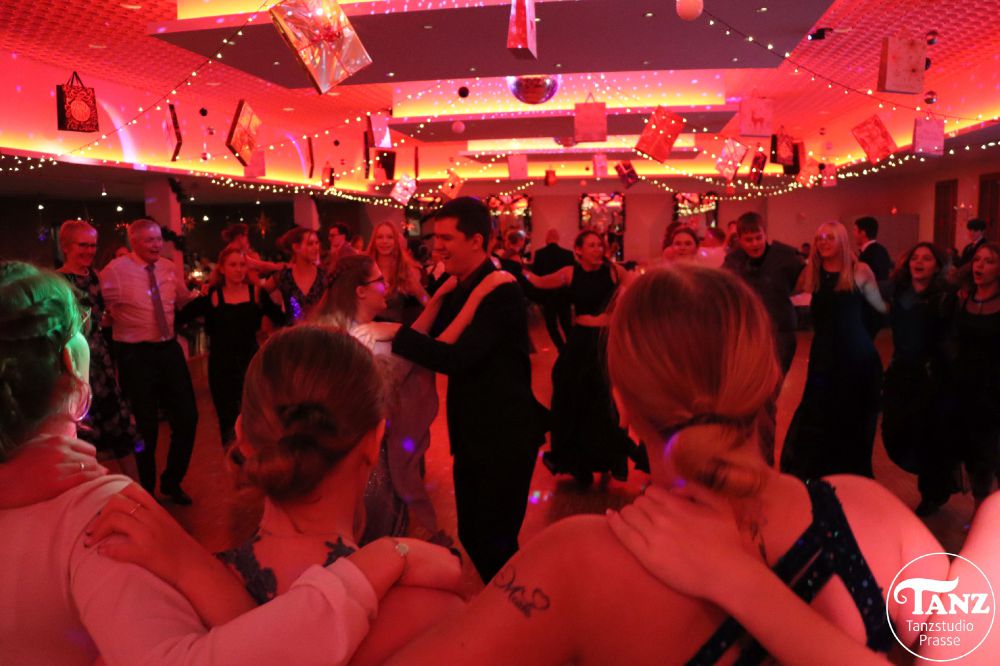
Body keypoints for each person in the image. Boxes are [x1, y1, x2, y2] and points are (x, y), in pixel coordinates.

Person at [384, 265, 945, 665]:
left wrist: (381, 566)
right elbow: (972, 640)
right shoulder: (869, 512)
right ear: (768, 377)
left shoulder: (575, 562)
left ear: (622, 405)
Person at [0, 265, 462, 665]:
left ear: (242, 433)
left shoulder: (177, 589)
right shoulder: (433, 614)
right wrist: (387, 557)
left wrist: (194, 570)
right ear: (375, 438)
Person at [392, 197, 549, 583]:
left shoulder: (501, 291)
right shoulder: (456, 285)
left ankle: (522, 603)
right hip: (474, 432)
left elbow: (455, 358)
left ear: (476, 240)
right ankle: (510, 600)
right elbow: (432, 337)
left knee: (494, 539)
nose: (437, 246)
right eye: (436, 238)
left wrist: (395, 335)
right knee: (473, 533)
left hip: (506, 433)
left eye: (447, 238)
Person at [525, 230, 637, 487]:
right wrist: (511, 268)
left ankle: (610, 457)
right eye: (592, 245)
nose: (598, 249)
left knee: (604, 400)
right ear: (578, 250)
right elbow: (539, 283)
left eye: (600, 245)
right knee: (572, 397)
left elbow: (640, 287)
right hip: (580, 343)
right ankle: (578, 462)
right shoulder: (569, 273)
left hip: (606, 341)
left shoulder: (614, 271)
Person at [99, 219, 198, 504]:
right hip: (135, 355)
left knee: (188, 417)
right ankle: (147, 490)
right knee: (145, 427)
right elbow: (97, 304)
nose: (157, 245)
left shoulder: (168, 267)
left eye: (158, 239)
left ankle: (172, 481)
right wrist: (107, 319)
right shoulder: (115, 271)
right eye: (149, 240)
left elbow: (182, 299)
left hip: (168, 350)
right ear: (134, 242)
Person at [781, 221, 887, 480]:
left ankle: (850, 475)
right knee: (818, 411)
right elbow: (781, 292)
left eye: (830, 237)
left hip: (855, 355)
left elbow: (879, 309)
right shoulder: (812, 273)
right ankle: (817, 473)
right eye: (819, 238)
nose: (823, 242)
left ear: (842, 240)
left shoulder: (859, 270)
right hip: (824, 355)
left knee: (852, 414)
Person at [56, 221, 140, 479]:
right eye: (83, 245)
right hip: (74, 363)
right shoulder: (58, 281)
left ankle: (138, 491)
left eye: (93, 245)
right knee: (83, 435)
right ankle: (94, 494)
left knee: (120, 430)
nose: (90, 250)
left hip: (101, 361)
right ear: (66, 247)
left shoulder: (95, 276)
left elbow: (99, 316)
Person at [881, 243, 958, 516]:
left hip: (930, 376)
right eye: (915, 257)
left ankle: (932, 493)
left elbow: (950, 339)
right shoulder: (900, 292)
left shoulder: (945, 297)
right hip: (901, 372)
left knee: (929, 435)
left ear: (937, 266)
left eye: (926, 258)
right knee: (895, 430)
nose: (919, 262)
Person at [179, 247, 284, 447]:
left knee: (256, 419)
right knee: (227, 423)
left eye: (242, 265)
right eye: (233, 265)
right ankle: (233, 462)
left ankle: (255, 462)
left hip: (251, 365)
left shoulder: (256, 293)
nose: (238, 269)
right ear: (222, 268)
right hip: (221, 367)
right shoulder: (212, 296)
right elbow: (181, 316)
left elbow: (281, 318)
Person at [951, 242, 1000, 517]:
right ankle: (980, 513)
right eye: (978, 260)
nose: (980, 266)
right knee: (975, 454)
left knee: (995, 453)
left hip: (995, 389)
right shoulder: (963, 299)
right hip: (968, 388)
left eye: (989, 261)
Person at [722, 212, 805, 375]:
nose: (755, 244)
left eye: (758, 238)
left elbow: (806, 280)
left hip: (781, 331)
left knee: (775, 380)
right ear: (740, 239)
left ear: (765, 234)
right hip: (749, 333)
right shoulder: (733, 261)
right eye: (749, 240)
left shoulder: (785, 257)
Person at [368, 220, 428, 323]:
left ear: (396, 241)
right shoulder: (366, 267)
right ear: (374, 241)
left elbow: (425, 299)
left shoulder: (403, 270)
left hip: (393, 328)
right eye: (380, 237)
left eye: (390, 237)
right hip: (366, 327)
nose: (384, 241)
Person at [265, 226, 327, 324]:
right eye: (310, 244)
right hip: (293, 332)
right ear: (296, 247)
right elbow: (261, 294)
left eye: (317, 243)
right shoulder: (284, 276)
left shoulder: (324, 275)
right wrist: (276, 318)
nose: (316, 248)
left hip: (320, 331)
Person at [530, 228, 574, 351]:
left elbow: (536, 276)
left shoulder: (540, 254)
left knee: (551, 325)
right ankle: (571, 348)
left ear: (547, 239)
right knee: (566, 324)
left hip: (548, 296)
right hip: (564, 295)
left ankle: (561, 348)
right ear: (557, 239)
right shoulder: (568, 254)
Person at [854, 216, 892, 338]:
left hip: (870, 308)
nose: (854, 234)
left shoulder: (870, 253)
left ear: (863, 233)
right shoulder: (880, 250)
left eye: (855, 230)